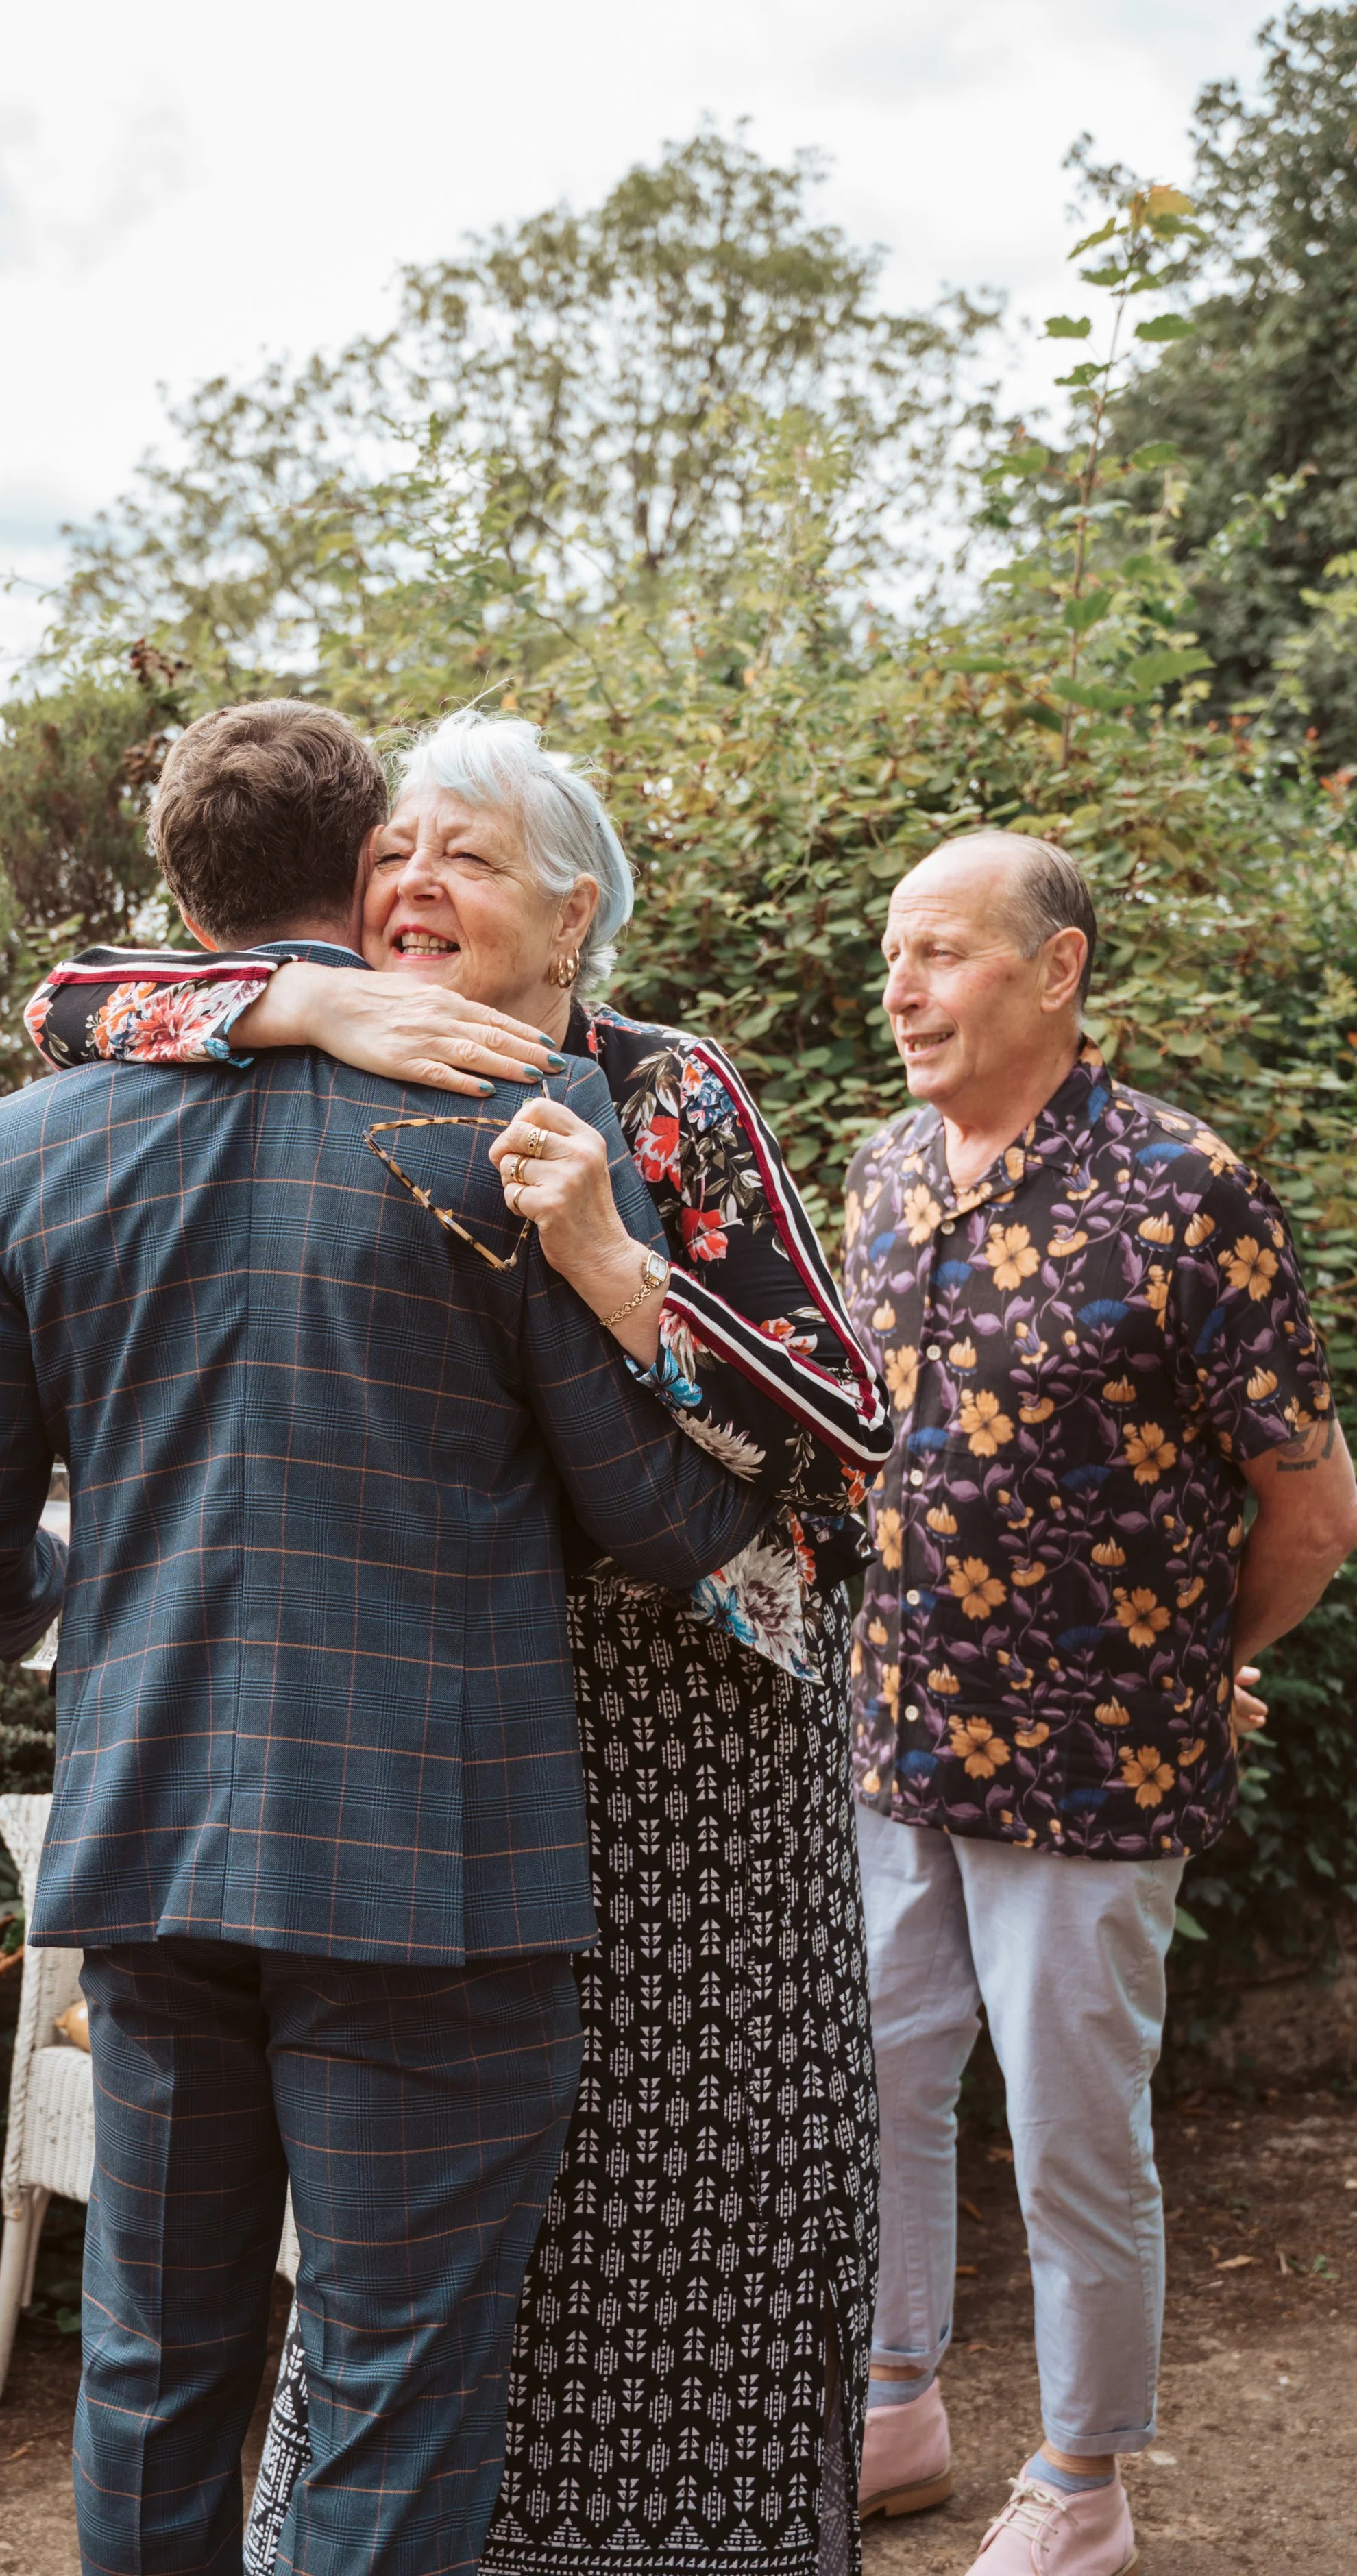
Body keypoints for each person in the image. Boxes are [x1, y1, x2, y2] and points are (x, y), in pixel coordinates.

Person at [0, 701, 779, 2576]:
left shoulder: (35, 1138)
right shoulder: (498, 1111)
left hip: (151, 1840)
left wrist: (96, 1638)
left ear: (171, 884)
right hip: (433, 1872)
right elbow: (666, 1514)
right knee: (393, 2372)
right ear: (370, 863)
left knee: (150, 2355)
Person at [841, 829, 1357, 2576]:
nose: (899, 988)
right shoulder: (882, 1175)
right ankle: (893, 2401)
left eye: (943, 952)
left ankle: (1080, 2483)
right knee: (885, 2084)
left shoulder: (1183, 1188)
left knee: (1069, 2132)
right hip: (892, 1737)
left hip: (1096, 1765)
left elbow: (1311, 1506)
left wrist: (1199, 1660)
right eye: (890, 954)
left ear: (1054, 970)